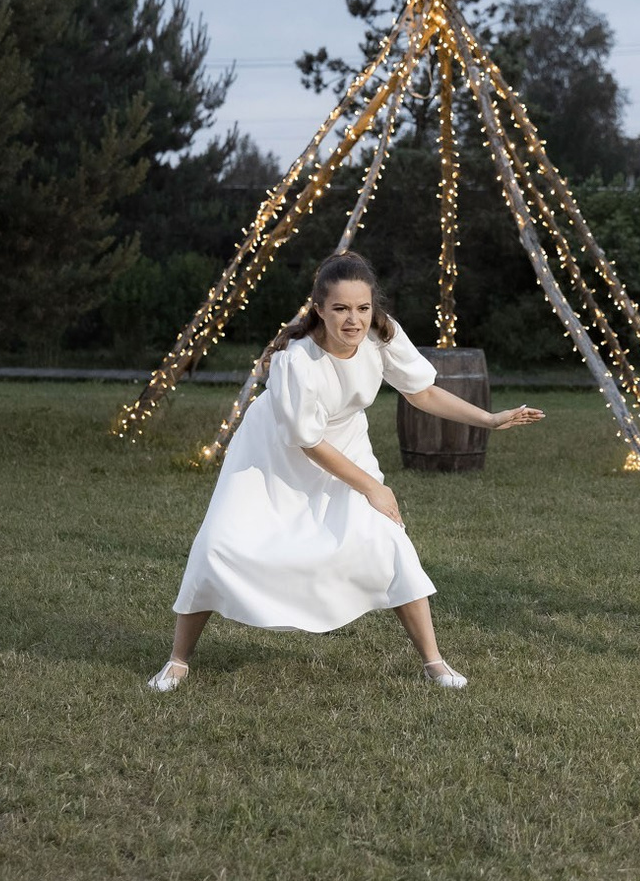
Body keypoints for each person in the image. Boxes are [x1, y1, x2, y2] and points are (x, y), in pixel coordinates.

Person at [149, 252, 544, 692]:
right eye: (340, 308)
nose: (353, 319)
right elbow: (306, 439)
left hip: (346, 445)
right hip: (272, 453)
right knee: (220, 544)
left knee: (387, 538)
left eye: (362, 307)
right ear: (319, 309)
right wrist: (373, 486)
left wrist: (490, 419)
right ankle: (178, 661)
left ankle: (434, 662)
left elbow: (423, 393)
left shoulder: (383, 335)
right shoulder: (296, 360)